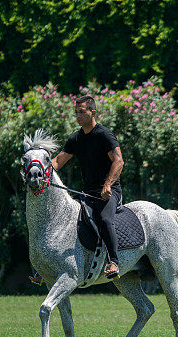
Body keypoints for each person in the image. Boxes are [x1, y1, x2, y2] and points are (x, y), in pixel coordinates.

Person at [51, 95, 125, 279]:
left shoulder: (104, 135)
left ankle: (114, 262)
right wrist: (37, 164)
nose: (77, 115)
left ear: (93, 112)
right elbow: (58, 162)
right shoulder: (75, 138)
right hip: (87, 194)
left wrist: (108, 185)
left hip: (109, 192)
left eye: (81, 112)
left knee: (105, 219)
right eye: (76, 112)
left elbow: (119, 161)